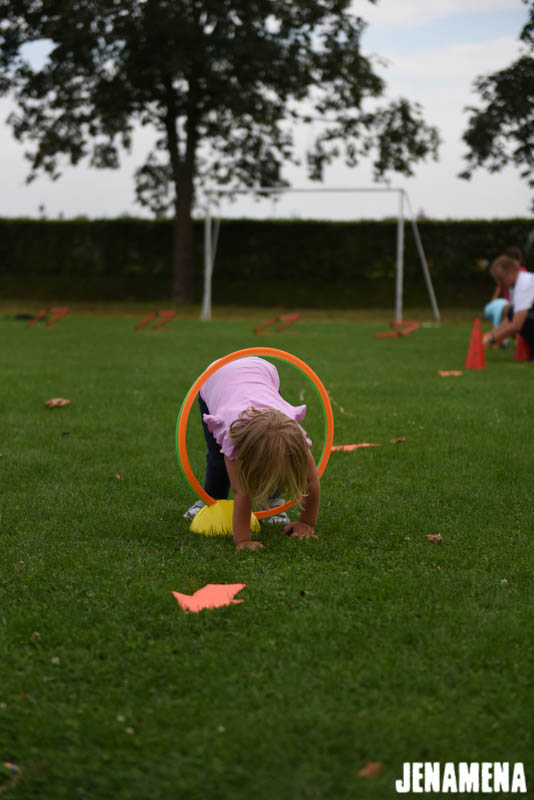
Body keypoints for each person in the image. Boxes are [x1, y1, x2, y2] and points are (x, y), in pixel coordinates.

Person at [184, 356, 321, 551]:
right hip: (215, 379)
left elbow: (311, 481)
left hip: (261, 373)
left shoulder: (295, 441)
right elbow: (242, 492)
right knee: (218, 458)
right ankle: (212, 499)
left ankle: (272, 501)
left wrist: (306, 523)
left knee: (275, 459)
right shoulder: (233, 437)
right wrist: (243, 540)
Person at [484, 255, 534, 354]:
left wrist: (489, 341)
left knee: (523, 318)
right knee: (511, 312)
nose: (499, 283)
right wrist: (491, 335)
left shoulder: (523, 285)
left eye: (500, 279)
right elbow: (510, 318)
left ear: (512, 272)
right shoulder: (517, 284)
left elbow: (516, 324)